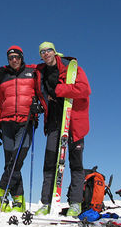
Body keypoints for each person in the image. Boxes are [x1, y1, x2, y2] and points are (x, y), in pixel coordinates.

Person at [34, 42, 91, 216]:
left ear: (55, 51)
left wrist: (59, 90)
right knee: (50, 162)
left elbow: (84, 89)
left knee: (75, 162)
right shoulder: (41, 71)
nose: (46, 53)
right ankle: (46, 203)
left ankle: (75, 203)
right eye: (42, 52)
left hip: (74, 122)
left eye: (48, 50)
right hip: (53, 121)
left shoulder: (71, 67)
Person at [0, 45, 42, 212]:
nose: (14, 60)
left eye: (16, 57)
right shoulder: (2, 77)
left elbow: (46, 67)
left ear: (21, 57)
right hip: (6, 123)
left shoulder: (32, 72)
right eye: (10, 58)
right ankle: (18, 200)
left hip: (25, 122)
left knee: (17, 159)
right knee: (10, 163)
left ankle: (0, 192)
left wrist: (38, 106)